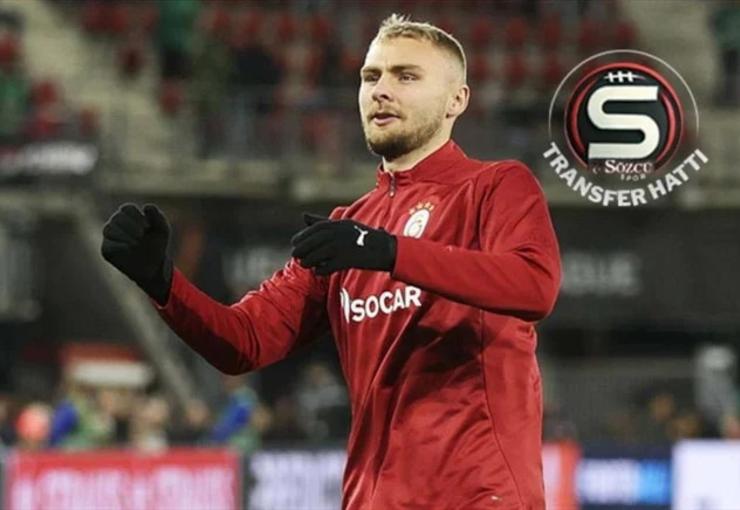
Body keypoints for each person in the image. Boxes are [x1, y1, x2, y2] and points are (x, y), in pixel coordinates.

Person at [100, 14, 561, 510]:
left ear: (457, 100)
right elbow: (244, 342)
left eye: (406, 76)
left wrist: (388, 252)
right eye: (370, 77)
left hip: (478, 498)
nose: (381, 90)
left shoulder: (496, 186)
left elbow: (534, 286)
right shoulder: (349, 228)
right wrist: (162, 282)